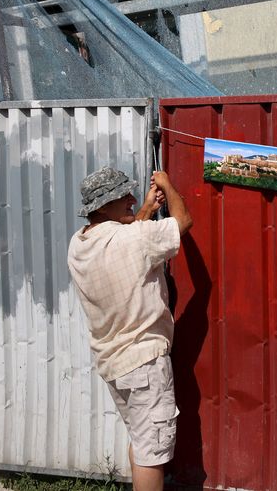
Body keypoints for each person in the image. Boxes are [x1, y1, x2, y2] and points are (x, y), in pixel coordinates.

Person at [67, 166, 192, 491]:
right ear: (103, 207)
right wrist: (167, 183)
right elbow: (182, 223)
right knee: (152, 454)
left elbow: (123, 243)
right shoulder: (134, 238)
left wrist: (147, 210)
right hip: (145, 363)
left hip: (114, 366)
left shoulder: (78, 245)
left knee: (141, 441)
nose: (133, 199)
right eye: (123, 196)